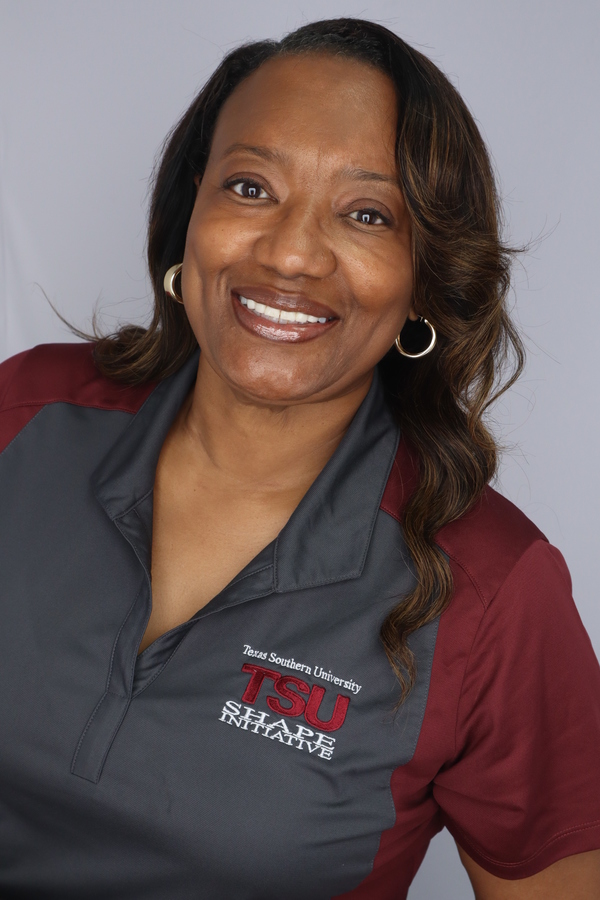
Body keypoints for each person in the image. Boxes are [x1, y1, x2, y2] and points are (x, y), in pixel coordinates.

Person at [0, 16, 598, 900]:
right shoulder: (25, 413)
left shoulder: (494, 591)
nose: (288, 253)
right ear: (189, 212)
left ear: (424, 275)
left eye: (367, 213)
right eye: (250, 186)